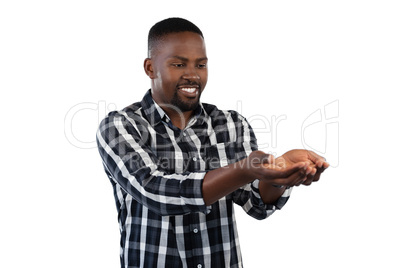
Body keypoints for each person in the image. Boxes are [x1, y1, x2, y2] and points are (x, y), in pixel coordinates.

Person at [96, 17, 329, 268]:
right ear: (150, 68)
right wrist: (244, 169)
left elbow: (257, 204)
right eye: (178, 64)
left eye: (201, 64)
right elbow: (154, 191)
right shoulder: (120, 126)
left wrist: (276, 175)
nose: (192, 75)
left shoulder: (231, 124)